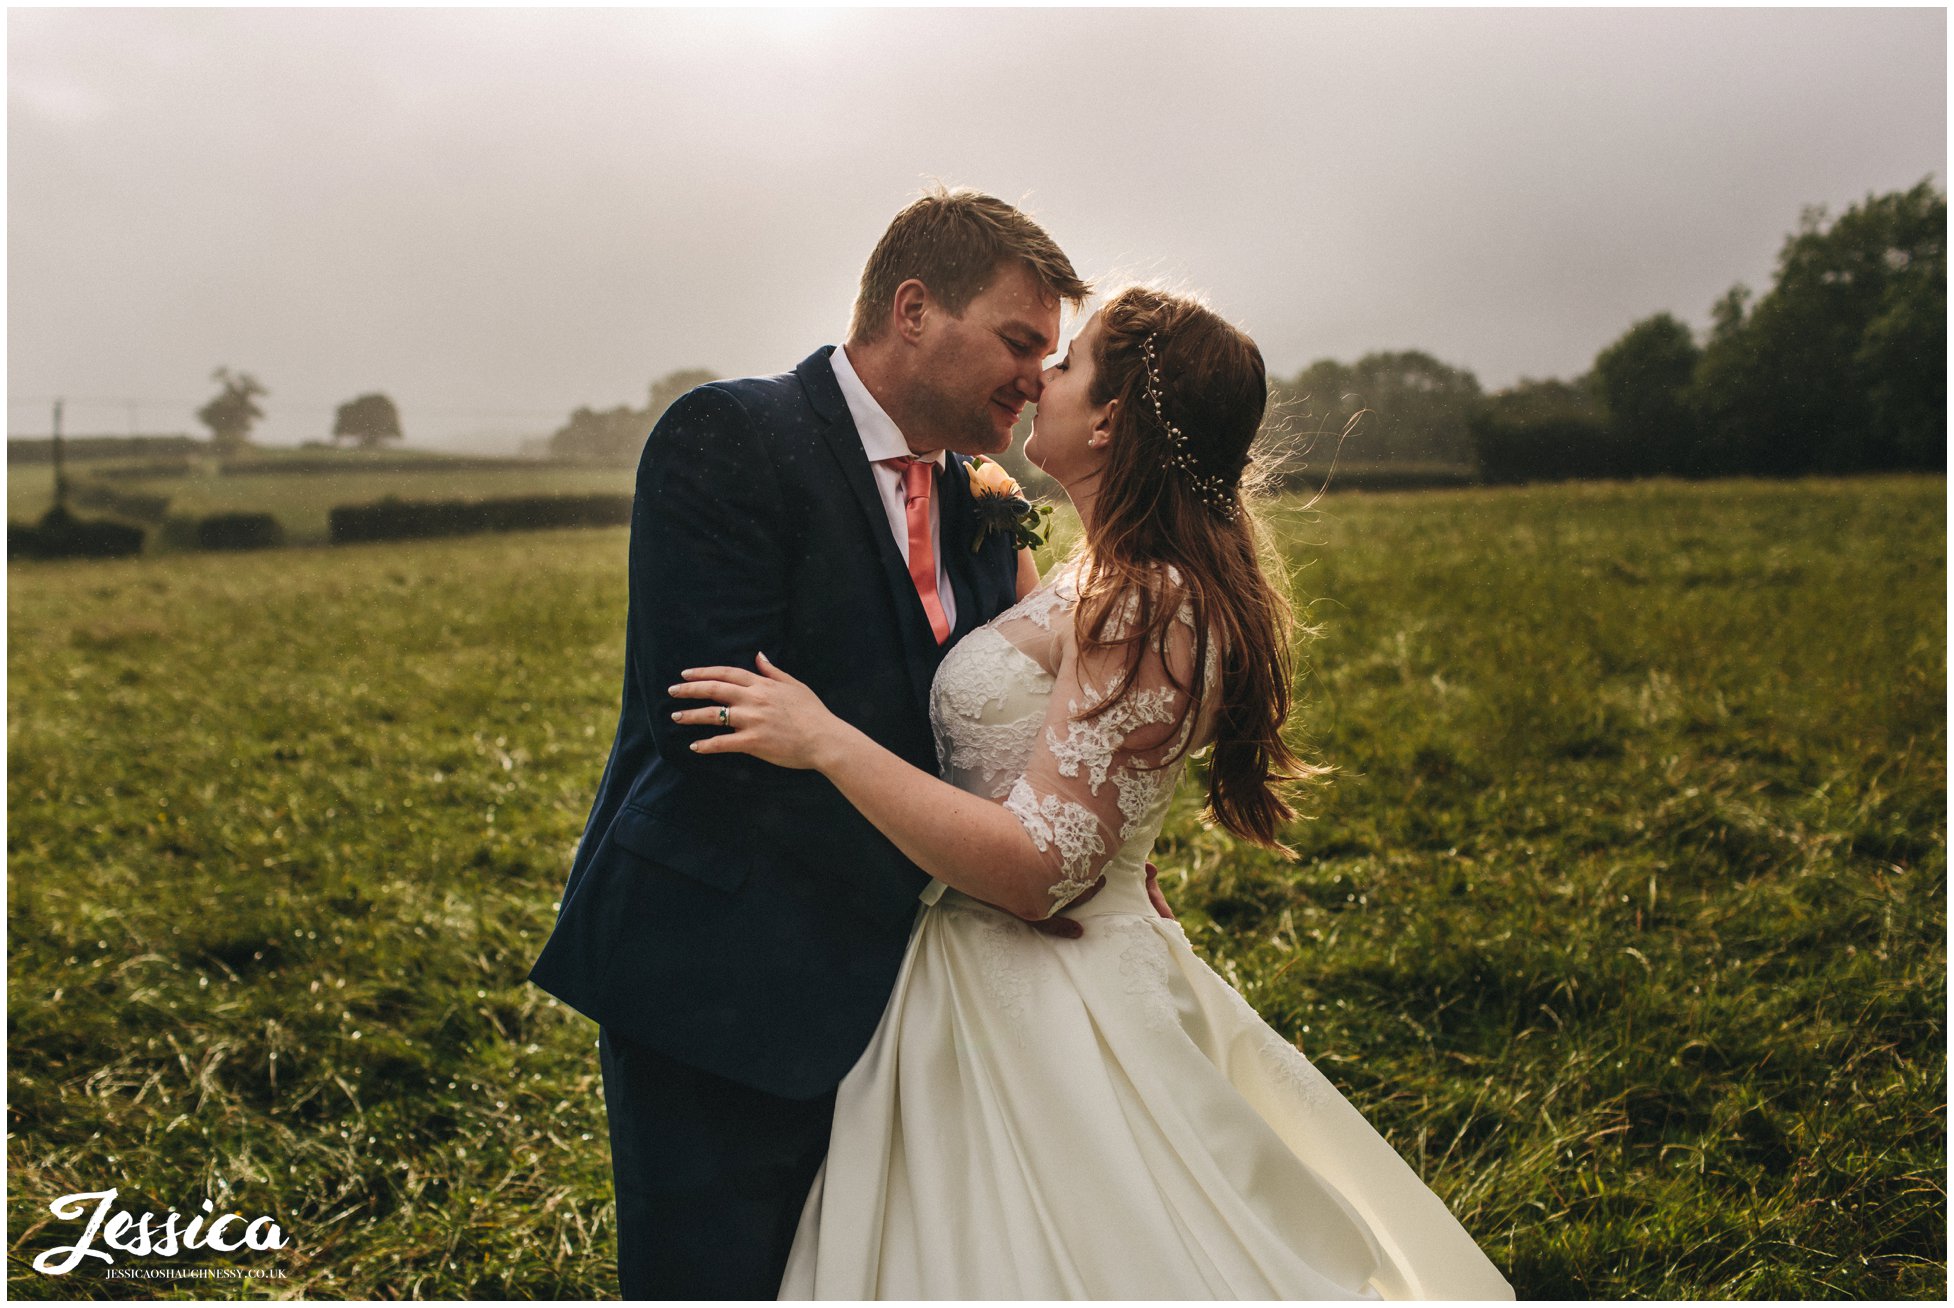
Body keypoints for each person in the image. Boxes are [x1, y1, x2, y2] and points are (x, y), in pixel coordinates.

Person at [670, 286, 1518, 1298]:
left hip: (1045, 999)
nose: (1040, 380)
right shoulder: (1099, 574)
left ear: (1111, 419)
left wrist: (827, 742)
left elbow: (1036, 875)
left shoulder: (1148, 599)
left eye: (1065, 366)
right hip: (967, 983)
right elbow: (1075, 782)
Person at [526, 188, 1092, 1298]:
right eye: (1020, 341)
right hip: (722, 984)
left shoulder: (982, 497)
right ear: (915, 309)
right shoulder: (730, 435)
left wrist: (1071, 835)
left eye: (1053, 355)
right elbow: (708, 729)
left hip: (920, 1011)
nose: (1036, 377)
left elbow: (995, 717)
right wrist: (971, 863)